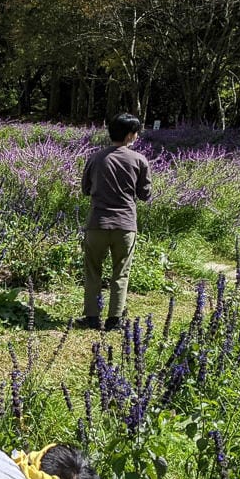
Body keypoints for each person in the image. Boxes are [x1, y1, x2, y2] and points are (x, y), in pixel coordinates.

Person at [80, 112, 152, 331]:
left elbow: (85, 189)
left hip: (97, 223)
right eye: (136, 132)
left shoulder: (95, 158)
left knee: (93, 270)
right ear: (130, 135)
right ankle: (115, 319)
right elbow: (144, 194)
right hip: (125, 225)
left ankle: (92, 317)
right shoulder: (139, 160)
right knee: (121, 273)